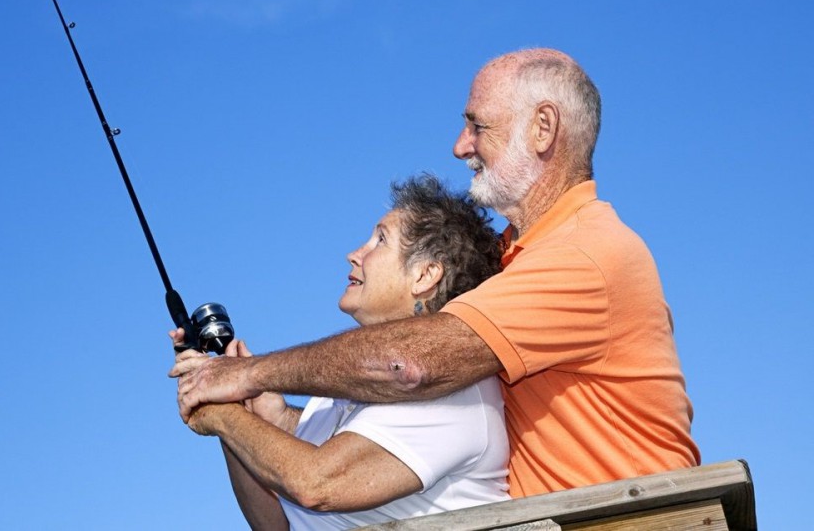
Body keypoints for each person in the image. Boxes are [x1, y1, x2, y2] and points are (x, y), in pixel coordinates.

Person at [171, 48, 700, 498]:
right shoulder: (514, 258)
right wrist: (259, 407)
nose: (460, 146)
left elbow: (409, 364)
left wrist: (246, 373)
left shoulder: (584, 253)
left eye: (477, 125)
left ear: (543, 129)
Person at [173, 176, 511, 529]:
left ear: (425, 275)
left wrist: (222, 417)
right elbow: (275, 524)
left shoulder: (453, 387)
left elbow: (317, 485)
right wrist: (228, 404)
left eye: (380, 240)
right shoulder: (342, 397)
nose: (354, 254)